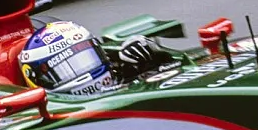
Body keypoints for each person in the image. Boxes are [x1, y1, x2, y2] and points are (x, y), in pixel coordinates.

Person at [17, 21, 173, 97]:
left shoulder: (120, 73)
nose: (85, 72)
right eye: (63, 69)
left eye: (85, 58)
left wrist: (152, 57)